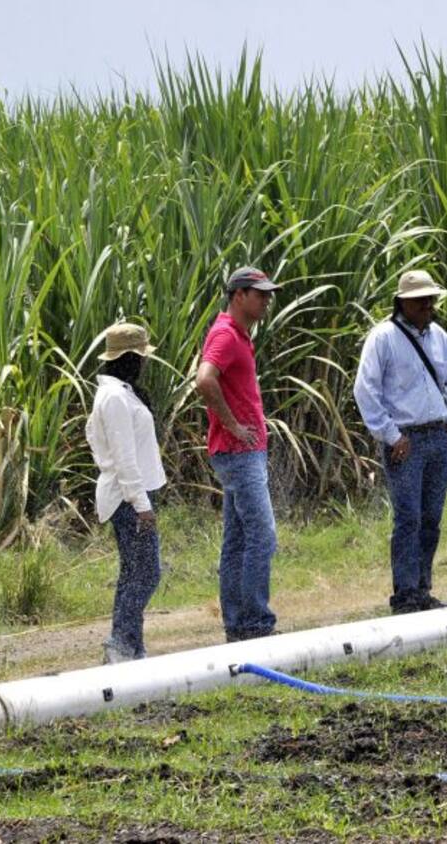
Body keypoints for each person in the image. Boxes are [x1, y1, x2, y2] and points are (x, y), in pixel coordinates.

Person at [353, 269, 447, 615]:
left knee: (431, 517)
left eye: (430, 299)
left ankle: (423, 588)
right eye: (421, 300)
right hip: (405, 441)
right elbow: (366, 390)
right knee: (408, 518)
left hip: (437, 436)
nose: (428, 305)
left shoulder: (439, 337)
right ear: (402, 302)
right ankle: (405, 595)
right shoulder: (383, 338)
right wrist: (391, 435)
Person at [195, 266, 282, 642]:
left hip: (241, 452)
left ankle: (237, 623)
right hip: (238, 452)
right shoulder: (226, 335)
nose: (266, 300)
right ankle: (254, 622)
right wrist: (232, 424)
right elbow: (204, 379)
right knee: (262, 535)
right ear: (238, 295)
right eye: (260, 293)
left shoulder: (238, 334)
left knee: (237, 540)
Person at [86, 322, 167, 663]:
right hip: (127, 497)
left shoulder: (119, 392)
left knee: (135, 571)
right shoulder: (116, 398)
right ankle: (120, 642)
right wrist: (141, 504)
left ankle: (131, 647)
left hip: (131, 495)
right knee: (147, 572)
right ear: (131, 358)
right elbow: (124, 458)